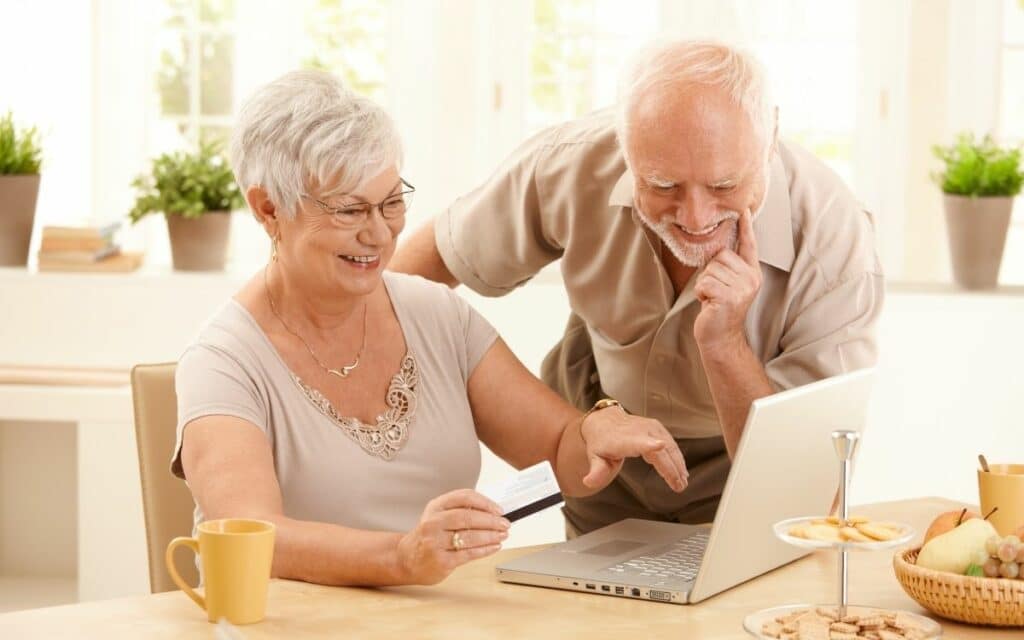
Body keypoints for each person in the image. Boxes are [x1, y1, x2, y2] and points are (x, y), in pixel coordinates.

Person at [171, 70, 688, 587]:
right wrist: (401, 557)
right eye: (350, 210)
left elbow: (558, 452)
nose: (378, 233)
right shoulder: (222, 363)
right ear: (268, 208)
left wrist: (598, 432)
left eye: (392, 203)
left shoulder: (438, 316)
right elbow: (250, 533)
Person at [390, 39, 884, 536]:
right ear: (625, 151)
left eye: (724, 186)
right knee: (589, 610)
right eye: (664, 186)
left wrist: (725, 344)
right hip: (598, 440)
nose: (695, 218)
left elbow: (810, 493)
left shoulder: (834, 243)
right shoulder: (572, 163)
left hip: (742, 463)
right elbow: (428, 262)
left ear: (769, 139)